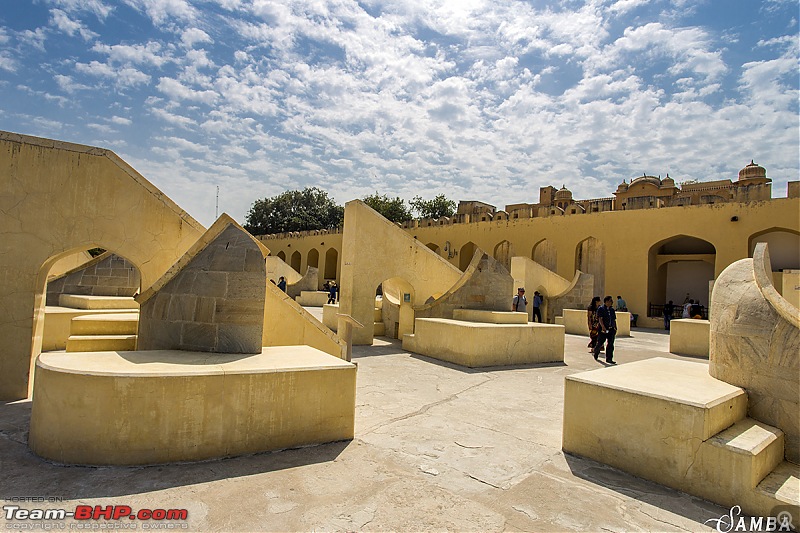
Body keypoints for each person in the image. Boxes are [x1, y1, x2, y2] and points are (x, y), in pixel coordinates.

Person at [593, 296, 617, 364]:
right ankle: (596, 352)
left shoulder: (612, 310)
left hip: (611, 329)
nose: (611, 302)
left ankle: (609, 358)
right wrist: (603, 327)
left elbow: (614, 319)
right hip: (603, 329)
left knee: (610, 344)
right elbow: (600, 319)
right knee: (600, 342)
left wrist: (615, 327)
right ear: (606, 302)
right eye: (610, 301)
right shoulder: (601, 309)